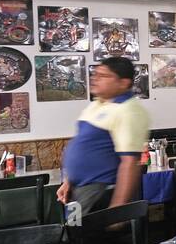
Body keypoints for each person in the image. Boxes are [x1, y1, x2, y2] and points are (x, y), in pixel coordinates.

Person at [57, 57, 149, 214]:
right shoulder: (96, 105)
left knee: (86, 235)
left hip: (98, 190)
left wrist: (117, 210)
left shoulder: (128, 110)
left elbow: (129, 163)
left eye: (104, 76)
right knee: (73, 233)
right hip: (76, 189)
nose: (95, 79)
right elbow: (84, 146)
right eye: (95, 74)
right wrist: (68, 181)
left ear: (124, 83)